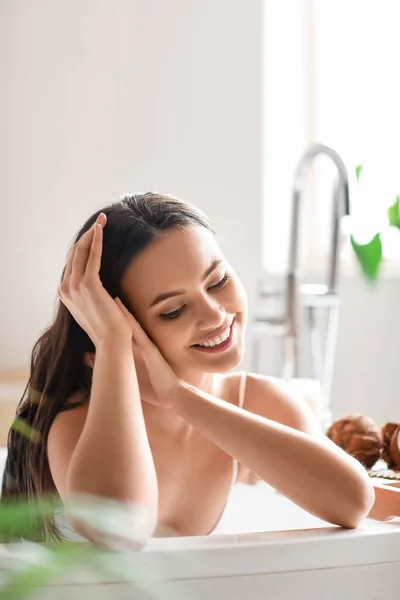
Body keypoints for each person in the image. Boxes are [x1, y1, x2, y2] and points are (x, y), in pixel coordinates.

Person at [1, 192, 375, 547]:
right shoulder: (78, 420)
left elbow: (353, 502)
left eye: (218, 281)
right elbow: (119, 532)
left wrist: (180, 398)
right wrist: (112, 343)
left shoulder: (256, 401)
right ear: (113, 323)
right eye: (173, 311)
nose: (215, 315)